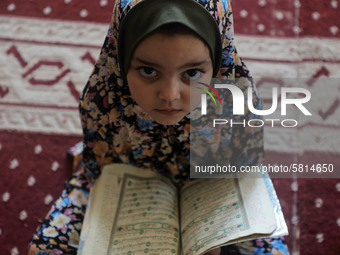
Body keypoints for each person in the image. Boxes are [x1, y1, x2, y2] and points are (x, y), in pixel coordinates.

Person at [28, 0, 289, 254]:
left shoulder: (233, 103)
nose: (169, 95)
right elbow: (102, 167)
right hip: (125, 183)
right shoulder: (107, 97)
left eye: (192, 73)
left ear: (218, 64)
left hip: (211, 191)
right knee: (45, 248)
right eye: (149, 71)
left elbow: (239, 178)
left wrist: (216, 238)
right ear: (121, 60)